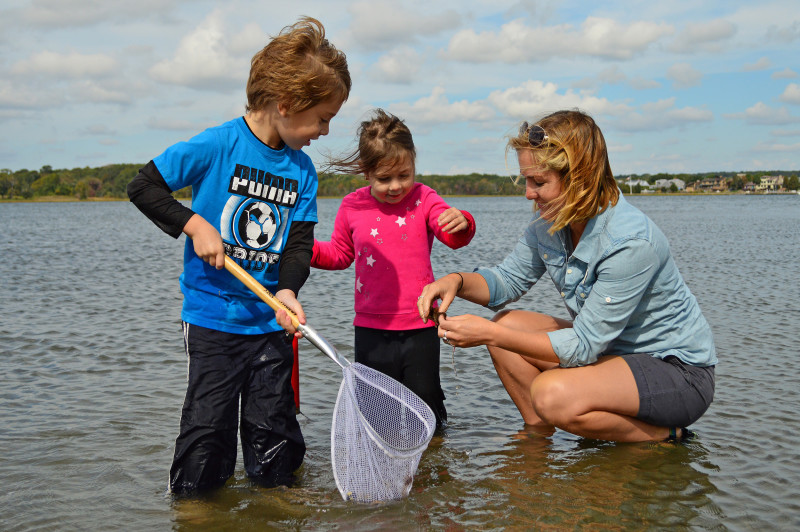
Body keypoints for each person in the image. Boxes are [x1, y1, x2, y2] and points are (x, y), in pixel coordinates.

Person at [126, 16, 351, 494]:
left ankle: (276, 509)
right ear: (286, 104)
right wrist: (193, 222)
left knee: (275, 435)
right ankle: (195, 509)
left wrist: (288, 288)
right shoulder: (217, 144)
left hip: (270, 320)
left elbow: (298, 243)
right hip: (212, 319)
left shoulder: (302, 170)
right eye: (323, 118)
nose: (326, 131)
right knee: (208, 433)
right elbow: (143, 186)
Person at [417, 109, 716, 443]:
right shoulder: (549, 224)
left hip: (677, 372)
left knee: (549, 392)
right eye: (526, 180)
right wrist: (454, 282)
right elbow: (505, 282)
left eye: (539, 182)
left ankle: (662, 435)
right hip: (611, 352)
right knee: (505, 324)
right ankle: (538, 431)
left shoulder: (631, 242)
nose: (528, 193)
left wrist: (488, 334)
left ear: (581, 178)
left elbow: (585, 345)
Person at [309, 109, 476, 428]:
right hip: (371, 331)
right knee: (376, 414)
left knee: (426, 408)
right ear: (365, 171)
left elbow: (453, 237)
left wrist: (463, 221)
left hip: (421, 325)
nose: (397, 186)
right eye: (384, 179)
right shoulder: (352, 206)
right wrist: (303, 248)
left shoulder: (424, 198)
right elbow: (339, 255)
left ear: (413, 162)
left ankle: (434, 470)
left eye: (405, 174)